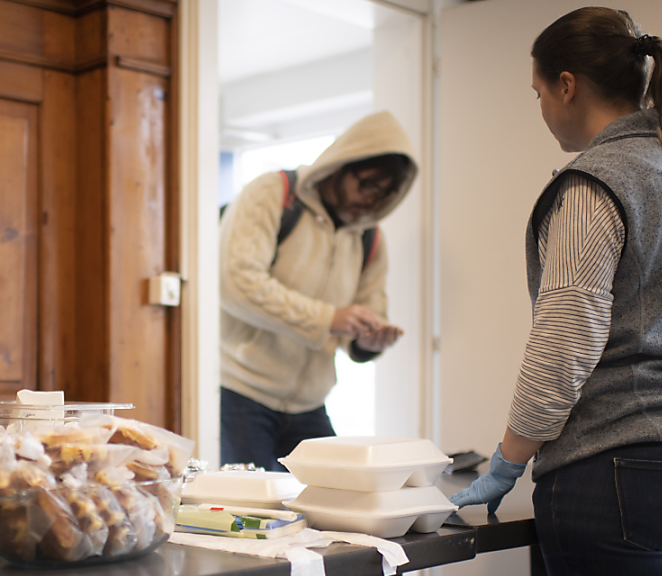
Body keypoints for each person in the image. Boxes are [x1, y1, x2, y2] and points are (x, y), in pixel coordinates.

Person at [450, 7, 662, 574]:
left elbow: (565, 341)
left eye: (537, 92)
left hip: (610, 477)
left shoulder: (596, 184)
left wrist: (507, 461)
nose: (541, 109)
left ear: (566, 86)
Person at [218, 111, 418, 471]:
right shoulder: (272, 193)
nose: (372, 201)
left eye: (385, 194)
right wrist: (329, 318)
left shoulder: (371, 237)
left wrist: (367, 340)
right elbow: (236, 282)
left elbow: (370, 308)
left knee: (328, 509)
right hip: (241, 397)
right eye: (368, 185)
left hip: (310, 405)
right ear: (344, 164)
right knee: (251, 520)